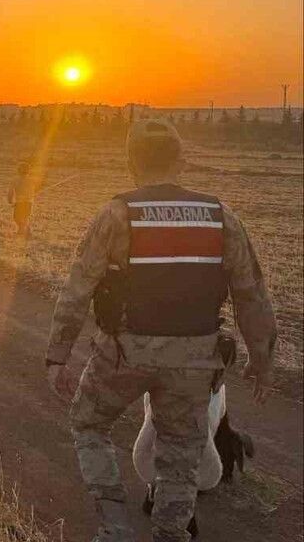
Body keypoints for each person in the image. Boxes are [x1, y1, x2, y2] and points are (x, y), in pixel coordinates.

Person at [44, 118, 276, 542]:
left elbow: (78, 288)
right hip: (195, 361)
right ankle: (171, 534)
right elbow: (252, 294)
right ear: (182, 160)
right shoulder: (221, 216)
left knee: (88, 423)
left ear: (131, 161)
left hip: (124, 354)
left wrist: (58, 355)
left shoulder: (116, 213)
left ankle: (114, 525)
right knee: (181, 456)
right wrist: (261, 360)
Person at [7, 160, 37, 234]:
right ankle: (25, 229)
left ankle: (22, 230)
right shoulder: (31, 180)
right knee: (24, 217)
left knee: (17, 218)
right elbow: (34, 190)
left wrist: (10, 200)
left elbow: (11, 191)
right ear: (28, 171)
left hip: (21, 202)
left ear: (18, 170)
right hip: (28, 202)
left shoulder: (15, 180)